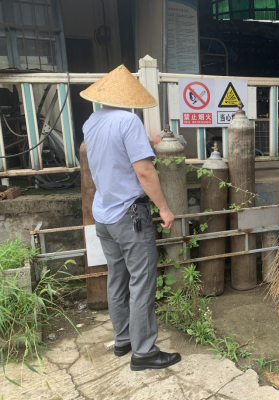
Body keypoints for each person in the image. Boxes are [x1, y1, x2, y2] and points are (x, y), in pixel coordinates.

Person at [81, 65, 181, 371]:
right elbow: (144, 172)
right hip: (129, 215)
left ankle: (123, 340)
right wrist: (164, 208)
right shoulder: (128, 121)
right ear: (129, 97)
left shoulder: (91, 121)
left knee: (117, 278)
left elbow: (111, 159)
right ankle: (144, 352)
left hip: (104, 214)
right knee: (142, 280)